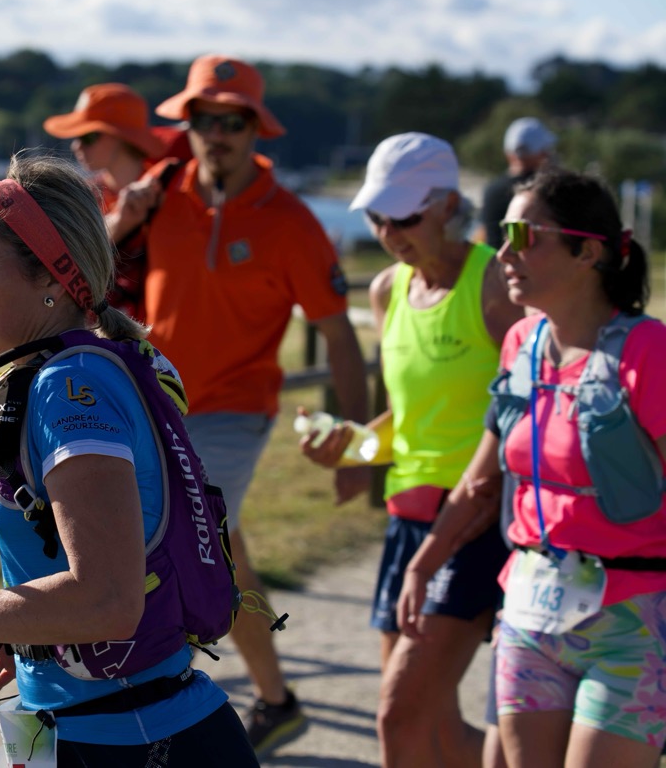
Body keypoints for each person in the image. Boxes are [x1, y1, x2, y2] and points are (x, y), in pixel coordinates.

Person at [0, 154, 258, 766]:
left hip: (133, 743)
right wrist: (22, 630)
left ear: (49, 277)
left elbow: (107, 600)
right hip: (105, 728)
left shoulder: (70, 389)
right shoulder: (89, 369)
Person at [117, 53, 373, 757]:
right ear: (188, 124)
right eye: (204, 119)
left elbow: (337, 333)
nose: (217, 133)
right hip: (155, 404)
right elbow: (92, 270)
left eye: (233, 121)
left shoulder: (290, 221)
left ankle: (158, 717)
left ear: (257, 129)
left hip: (234, 409)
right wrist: (121, 216)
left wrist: (354, 446)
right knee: (222, 554)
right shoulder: (159, 195)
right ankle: (277, 701)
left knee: (176, 542)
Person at [396, 170, 666, 768]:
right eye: (501, 235)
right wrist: (423, 563)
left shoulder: (649, 350)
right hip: (529, 610)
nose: (503, 253)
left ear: (587, 252)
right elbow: (480, 479)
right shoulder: (522, 342)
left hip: (634, 619)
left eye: (523, 235)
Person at [303, 132, 521, 767]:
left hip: (476, 521)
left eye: (404, 217)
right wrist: (349, 448)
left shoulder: (496, 284)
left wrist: (486, 497)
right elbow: (410, 418)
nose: (388, 232)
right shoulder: (386, 290)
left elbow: (525, 410)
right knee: (435, 732)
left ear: (449, 205)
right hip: (406, 519)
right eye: (377, 216)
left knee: (399, 717)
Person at [43, 83, 170, 322]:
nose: (76, 145)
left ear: (121, 137)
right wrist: (120, 222)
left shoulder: (170, 188)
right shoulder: (83, 196)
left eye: (88, 136)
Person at [481, 117, 556, 250]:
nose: (548, 155)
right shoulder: (544, 189)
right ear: (541, 152)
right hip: (524, 261)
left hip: (493, 261)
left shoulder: (491, 190)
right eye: (545, 150)